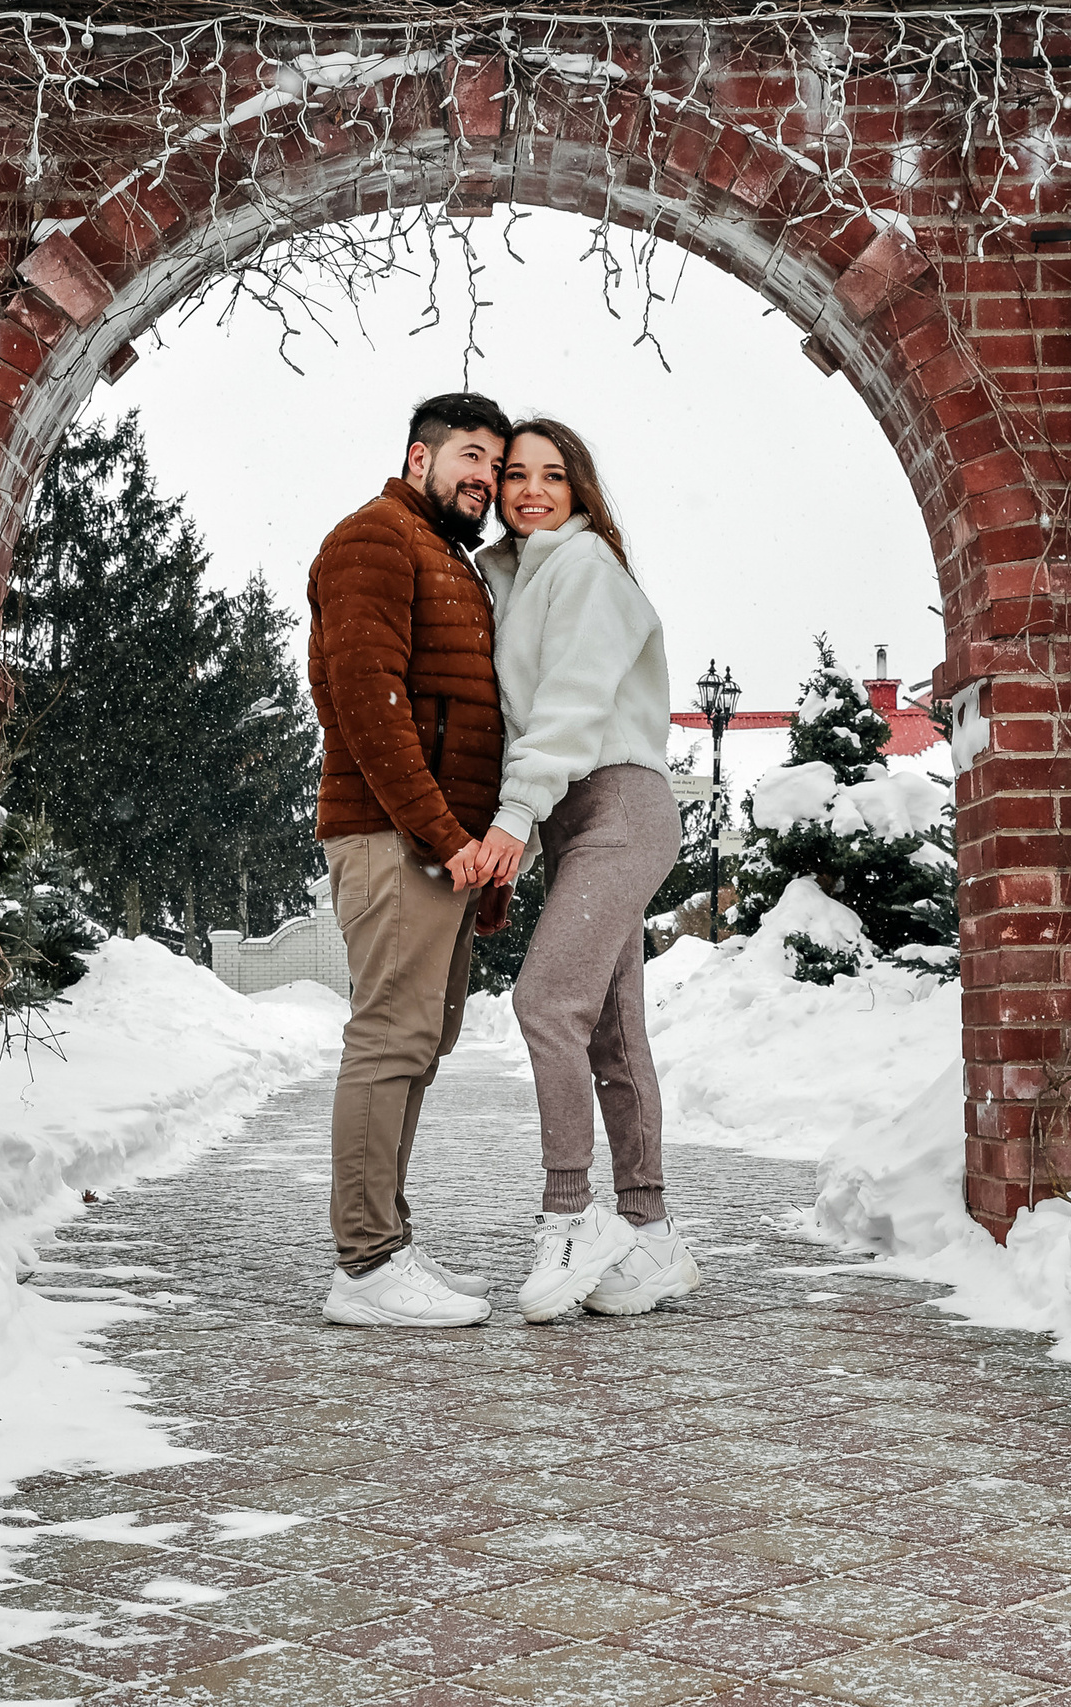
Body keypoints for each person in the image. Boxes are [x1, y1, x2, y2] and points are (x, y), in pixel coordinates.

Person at [455, 419, 701, 1322]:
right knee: (610, 1028)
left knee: (544, 1002)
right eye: (514, 475)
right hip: (580, 817)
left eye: (551, 476)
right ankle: (650, 1230)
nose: (529, 490)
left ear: (579, 489)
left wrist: (514, 818)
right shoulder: (519, 579)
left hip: (620, 807)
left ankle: (570, 1211)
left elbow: (566, 707)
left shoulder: (586, 569)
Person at [306, 392, 515, 1327]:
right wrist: (445, 835)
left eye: (495, 462)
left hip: (441, 849)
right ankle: (363, 1265)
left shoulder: (447, 557)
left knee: (420, 1046)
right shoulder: (375, 540)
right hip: (399, 839)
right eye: (470, 454)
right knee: (391, 1038)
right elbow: (367, 702)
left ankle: (386, 1237)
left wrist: (475, 852)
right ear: (417, 456)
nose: (485, 476)